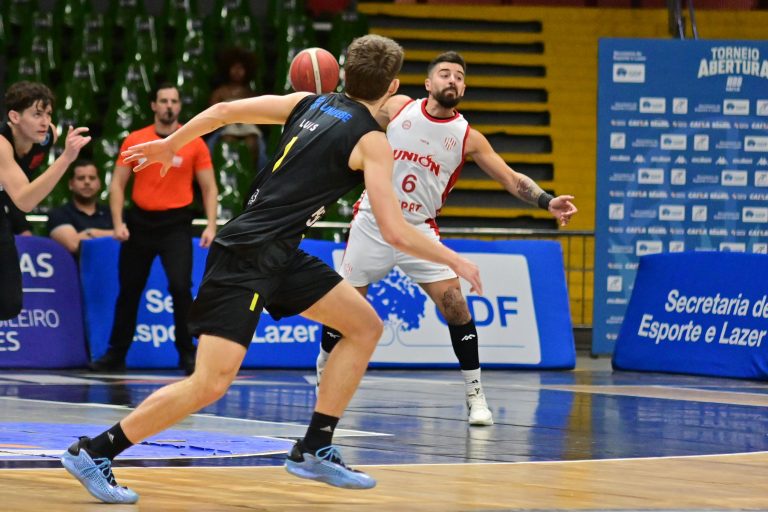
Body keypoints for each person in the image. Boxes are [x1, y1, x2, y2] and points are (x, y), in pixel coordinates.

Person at [60, 34, 481, 504]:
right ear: (394, 86)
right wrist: (453, 259)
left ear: (344, 75)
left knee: (364, 326)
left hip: (279, 251)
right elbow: (396, 231)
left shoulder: (309, 102)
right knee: (210, 383)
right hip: (247, 254)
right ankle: (94, 451)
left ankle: (315, 447)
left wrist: (169, 144)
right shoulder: (373, 143)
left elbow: (224, 112)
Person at [316, 51, 578, 426]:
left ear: (464, 88)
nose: (452, 79)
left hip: (418, 229)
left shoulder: (468, 138)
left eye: (458, 76)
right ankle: (324, 376)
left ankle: (475, 396)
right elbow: (351, 122)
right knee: (344, 311)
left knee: (456, 304)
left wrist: (546, 200)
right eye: (444, 73)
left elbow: (510, 178)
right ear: (428, 83)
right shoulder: (397, 108)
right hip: (372, 223)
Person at [89, 83, 219, 375]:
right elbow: (117, 183)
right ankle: (116, 354)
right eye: (163, 100)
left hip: (176, 224)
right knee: (129, 289)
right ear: (154, 105)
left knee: (180, 288)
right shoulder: (135, 139)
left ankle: (187, 354)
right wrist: (118, 223)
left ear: (179, 106)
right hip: (140, 223)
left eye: (173, 101)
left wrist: (211, 225)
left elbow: (209, 188)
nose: (169, 105)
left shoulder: (194, 142)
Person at [0, 81, 91, 320]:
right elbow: (24, 201)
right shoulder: (1, 145)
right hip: (10, 200)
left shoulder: (48, 134)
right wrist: (66, 158)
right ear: (14, 117)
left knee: (9, 304)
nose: (45, 121)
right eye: (37, 114)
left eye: (48, 114)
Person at [47, 159, 114, 254]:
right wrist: (113, 234)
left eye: (92, 178)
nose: (87, 182)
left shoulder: (112, 213)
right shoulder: (59, 214)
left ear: (99, 184)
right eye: (81, 178)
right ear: (71, 184)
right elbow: (73, 244)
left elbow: (127, 237)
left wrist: (90, 233)